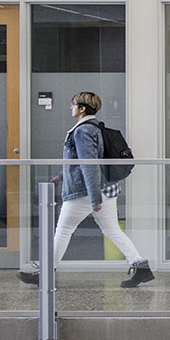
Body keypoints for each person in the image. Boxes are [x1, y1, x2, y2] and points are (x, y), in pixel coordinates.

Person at [17, 91, 154, 288]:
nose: (70, 108)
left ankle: (45, 274)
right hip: (105, 189)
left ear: (82, 109)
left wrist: (94, 197)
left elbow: (89, 164)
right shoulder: (94, 128)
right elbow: (77, 162)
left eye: (73, 105)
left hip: (85, 192)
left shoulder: (82, 131)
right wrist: (61, 177)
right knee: (112, 230)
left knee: (63, 230)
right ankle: (141, 267)